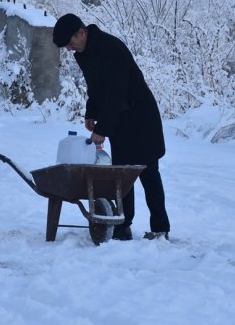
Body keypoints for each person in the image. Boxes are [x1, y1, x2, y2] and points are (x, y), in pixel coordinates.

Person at [52, 13, 171, 241]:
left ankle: (160, 228)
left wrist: (102, 129)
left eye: (70, 42)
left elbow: (116, 93)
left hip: (140, 117)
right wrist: (91, 112)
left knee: (148, 174)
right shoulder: (83, 53)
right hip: (120, 120)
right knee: (121, 177)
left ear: (82, 32)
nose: (69, 48)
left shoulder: (111, 49)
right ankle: (122, 225)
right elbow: (97, 88)